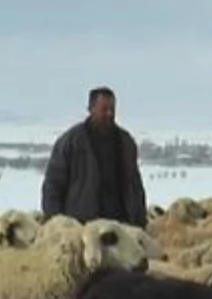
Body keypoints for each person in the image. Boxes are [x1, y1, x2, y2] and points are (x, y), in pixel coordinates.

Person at [40, 86, 148, 227]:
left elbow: (135, 187)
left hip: (119, 229)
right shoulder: (71, 142)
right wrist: (56, 224)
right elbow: (53, 186)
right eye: (104, 109)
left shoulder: (125, 142)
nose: (109, 114)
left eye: (112, 109)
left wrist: (139, 221)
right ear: (91, 108)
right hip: (80, 227)